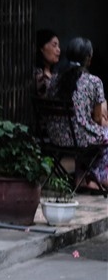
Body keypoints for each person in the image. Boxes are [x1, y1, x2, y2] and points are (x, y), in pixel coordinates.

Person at [47, 36, 108, 191]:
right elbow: (97, 119)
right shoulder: (94, 82)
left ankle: (82, 178)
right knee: (102, 133)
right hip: (79, 138)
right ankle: (101, 177)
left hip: (55, 136)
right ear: (88, 58)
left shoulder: (54, 80)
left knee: (89, 131)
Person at [34, 29, 61, 97]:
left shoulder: (56, 74)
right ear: (42, 48)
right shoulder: (36, 73)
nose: (58, 50)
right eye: (54, 45)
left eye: (58, 46)